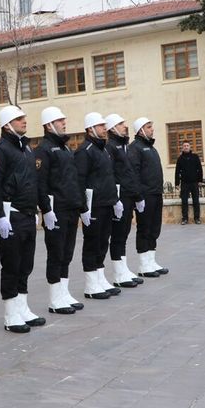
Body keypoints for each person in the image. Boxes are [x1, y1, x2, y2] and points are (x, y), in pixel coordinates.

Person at [0, 106, 45, 333]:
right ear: (7, 124)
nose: (24, 121)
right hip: (11, 216)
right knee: (11, 264)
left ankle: (22, 307)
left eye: (23, 118)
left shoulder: (27, 149)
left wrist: (40, 209)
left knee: (26, 265)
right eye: (18, 119)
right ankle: (11, 314)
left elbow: (34, 182)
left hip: (28, 214)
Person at [35, 107, 84, 314]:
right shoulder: (44, 149)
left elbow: (73, 180)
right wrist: (46, 209)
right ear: (49, 125)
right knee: (56, 253)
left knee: (67, 253)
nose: (64, 123)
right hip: (57, 211)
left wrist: (81, 205)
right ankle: (55, 298)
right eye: (60, 120)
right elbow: (40, 183)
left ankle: (63, 292)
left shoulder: (64, 148)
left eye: (64, 119)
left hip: (70, 208)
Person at [75, 112, 121, 299]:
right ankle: (91, 284)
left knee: (103, 242)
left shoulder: (103, 150)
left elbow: (108, 178)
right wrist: (83, 208)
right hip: (93, 206)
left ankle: (100, 279)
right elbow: (79, 181)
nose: (104, 128)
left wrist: (115, 200)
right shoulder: (84, 151)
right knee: (92, 243)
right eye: (101, 125)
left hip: (106, 203)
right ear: (91, 129)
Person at [104, 113, 144, 288]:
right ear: (112, 128)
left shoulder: (124, 146)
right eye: (120, 124)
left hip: (128, 196)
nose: (124, 126)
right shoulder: (111, 147)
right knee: (118, 235)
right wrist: (115, 199)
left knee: (124, 234)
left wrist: (137, 196)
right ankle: (118, 273)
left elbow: (130, 173)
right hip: (119, 198)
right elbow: (111, 175)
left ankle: (123, 268)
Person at [130, 117, 169, 277]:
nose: (152, 129)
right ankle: (143, 264)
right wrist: (138, 197)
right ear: (140, 130)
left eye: (151, 126)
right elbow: (135, 174)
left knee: (154, 228)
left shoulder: (151, 148)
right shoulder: (135, 148)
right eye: (148, 127)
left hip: (155, 193)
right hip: (145, 196)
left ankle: (151, 261)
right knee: (144, 228)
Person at [175, 141, 203, 225]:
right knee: (184, 201)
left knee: (196, 201)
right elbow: (177, 171)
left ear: (190, 147)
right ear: (182, 148)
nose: (186, 147)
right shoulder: (180, 158)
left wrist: (200, 180)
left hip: (194, 182)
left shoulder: (195, 157)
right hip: (184, 183)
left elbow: (200, 169)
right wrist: (177, 183)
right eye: (184, 146)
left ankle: (197, 218)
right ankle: (184, 219)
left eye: (187, 145)